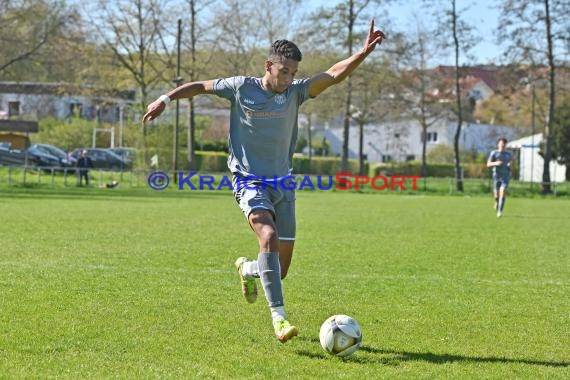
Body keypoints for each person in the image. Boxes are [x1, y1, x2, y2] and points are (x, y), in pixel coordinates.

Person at [143, 19, 385, 343]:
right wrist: (165, 99)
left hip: (283, 183)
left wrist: (363, 52)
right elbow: (200, 86)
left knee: (279, 271)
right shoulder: (241, 87)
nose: (289, 78)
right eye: (284, 71)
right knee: (267, 235)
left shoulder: (296, 93)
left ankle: (247, 269)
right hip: (248, 179)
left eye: (294, 73)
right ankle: (280, 319)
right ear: (268, 65)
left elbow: (333, 74)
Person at [487, 137, 512, 218]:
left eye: (504, 144)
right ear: (498, 144)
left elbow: (511, 163)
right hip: (496, 176)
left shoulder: (508, 154)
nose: (503, 145)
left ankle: (500, 211)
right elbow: (488, 164)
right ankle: (497, 202)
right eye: (501, 144)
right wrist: (496, 163)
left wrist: (510, 165)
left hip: (505, 176)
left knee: (503, 191)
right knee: (496, 195)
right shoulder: (494, 153)